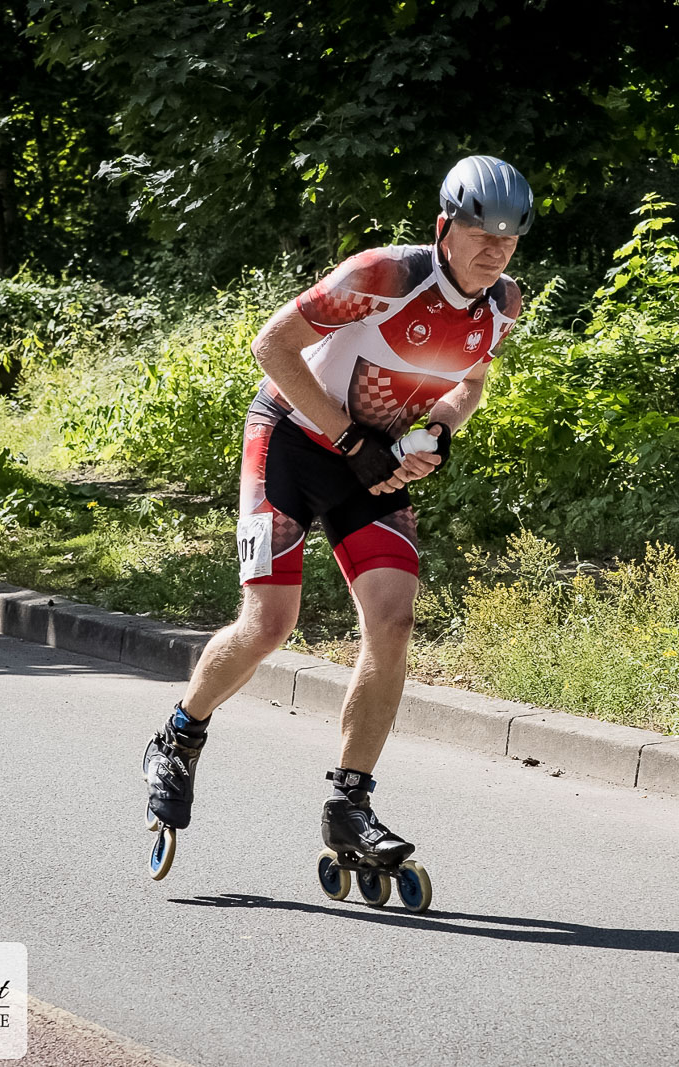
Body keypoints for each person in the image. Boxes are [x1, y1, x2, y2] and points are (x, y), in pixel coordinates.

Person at [142, 155, 531, 876]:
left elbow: (471, 382)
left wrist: (440, 431)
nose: (495, 250)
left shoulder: (503, 303)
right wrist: (351, 440)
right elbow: (271, 345)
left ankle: (350, 802)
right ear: (445, 228)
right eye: (482, 233)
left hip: (371, 463)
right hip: (291, 441)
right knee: (269, 624)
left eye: (509, 238)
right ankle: (179, 736)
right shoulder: (382, 276)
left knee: (394, 620)